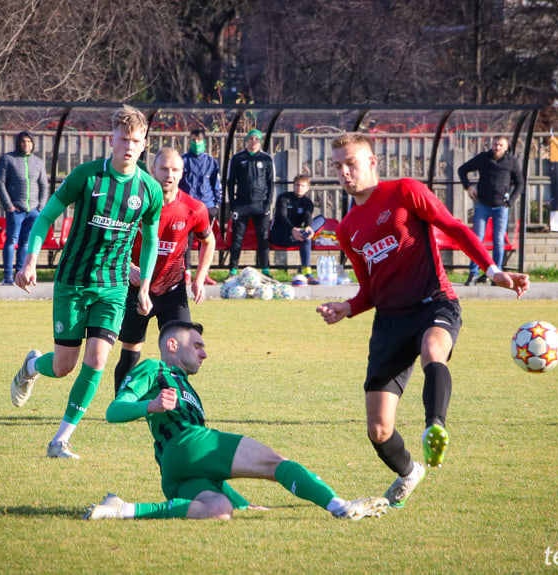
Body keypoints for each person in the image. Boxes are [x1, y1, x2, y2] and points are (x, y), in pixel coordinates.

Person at [316, 133, 529, 509]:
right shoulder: (348, 229)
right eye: (337, 166)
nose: (344, 172)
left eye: (351, 163)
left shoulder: (405, 191)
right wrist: (347, 307)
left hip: (435, 303)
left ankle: (436, 426)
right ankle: (410, 472)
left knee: (434, 348)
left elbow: (455, 227)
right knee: (379, 430)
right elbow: (371, 290)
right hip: (389, 322)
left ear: (372, 163)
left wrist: (492, 270)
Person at [84, 320, 389, 521]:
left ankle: (122, 509)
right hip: (187, 443)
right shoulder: (154, 367)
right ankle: (340, 506)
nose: (204, 354)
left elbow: (209, 470)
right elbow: (114, 411)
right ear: (172, 346)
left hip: (174, 471)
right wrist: (149, 405)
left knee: (218, 510)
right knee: (274, 463)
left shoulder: (185, 386)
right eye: (198, 345)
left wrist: (243, 504)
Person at [11, 105, 163, 459]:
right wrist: (30, 260)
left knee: (96, 360)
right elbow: (47, 215)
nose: (129, 146)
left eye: (136, 141)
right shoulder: (87, 177)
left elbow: (151, 240)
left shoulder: (149, 190)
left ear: (144, 145)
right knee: (64, 366)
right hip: (73, 282)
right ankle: (33, 365)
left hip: (112, 286)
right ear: (111, 139)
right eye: (123, 138)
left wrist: (143, 287)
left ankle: (61, 440)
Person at [114, 147, 215, 394]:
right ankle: (123, 403)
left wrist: (199, 278)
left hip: (172, 290)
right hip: (135, 290)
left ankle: (178, 404)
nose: (169, 174)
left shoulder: (194, 208)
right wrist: (128, 267)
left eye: (175, 169)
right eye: (163, 168)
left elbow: (208, 241)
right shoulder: (136, 204)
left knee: (184, 349)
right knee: (130, 351)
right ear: (152, 170)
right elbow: (113, 240)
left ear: (182, 173)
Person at [458, 135, 523, 285]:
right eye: (495, 144)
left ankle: (497, 275)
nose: (497, 147)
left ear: (506, 147)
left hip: (501, 207)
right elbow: (462, 170)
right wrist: (468, 186)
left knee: (498, 241)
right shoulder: (483, 158)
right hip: (482, 204)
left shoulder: (511, 161)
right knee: (477, 239)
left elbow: (520, 183)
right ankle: (473, 274)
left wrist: (511, 201)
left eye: (500, 145)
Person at [0, 131, 49, 285]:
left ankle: (21, 274)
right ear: (19, 143)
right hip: (15, 210)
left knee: (25, 242)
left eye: (29, 142)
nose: (26, 144)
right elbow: (0, 183)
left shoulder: (38, 162)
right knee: (11, 240)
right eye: (23, 141)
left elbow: (44, 184)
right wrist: (9, 206)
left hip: (33, 210)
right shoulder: (8, 159)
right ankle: (7, 276)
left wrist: (40, 207)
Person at [226, 129, 275, 277]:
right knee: (237, 239)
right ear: (247, 140)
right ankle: (232, 270)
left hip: (260, 205)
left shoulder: (266, 159)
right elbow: (230, 182)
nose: (254, 141)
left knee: (263, 238)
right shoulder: (238, 158)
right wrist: (233, 204)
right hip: (241, 205)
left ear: (260, 141)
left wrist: (268, 205)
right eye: (251, 138)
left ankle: (266, 270)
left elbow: (271, 183)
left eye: (257, 139)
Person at [180, 128, 222, 286]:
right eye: (193, 140)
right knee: (187, 241)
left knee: (206, 240)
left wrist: (217, 204)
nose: (196, 143)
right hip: (187, 207)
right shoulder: (183, 160)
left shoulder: (211, 161)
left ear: (204, 142)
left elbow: (216, 184)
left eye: (198, 140)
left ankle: (203, 273)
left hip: (207, 207)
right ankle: (187, 272)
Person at [269, 174, 319, 284]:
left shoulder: (308, 202)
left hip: (298, 234)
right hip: (280, 233)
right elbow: (282, 217)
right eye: (297, 185)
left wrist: (308, 227)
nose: (299, 188)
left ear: (307, 188)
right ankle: (308, 274)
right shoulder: (283, 197)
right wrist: (293, 229)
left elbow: (308, 217)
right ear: (293, 186)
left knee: (318, 222)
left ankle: (308, 274)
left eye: (302, 186)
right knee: (305, 238)